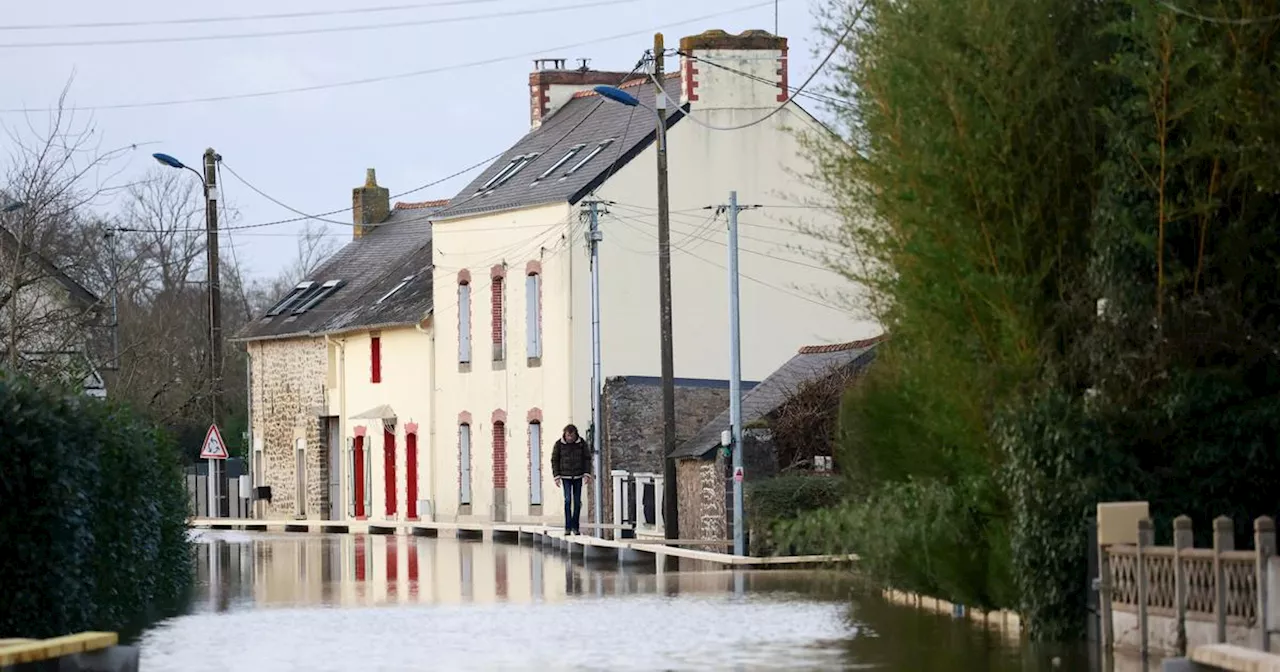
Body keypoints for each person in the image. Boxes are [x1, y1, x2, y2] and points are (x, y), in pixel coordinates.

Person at [551, 424, 591, 535]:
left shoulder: (581, 444)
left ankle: (575, 526)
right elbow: (554, 460)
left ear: (575, 434)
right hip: (565, 476)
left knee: (577, 502)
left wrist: (587, 474)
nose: (570, 438)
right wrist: (557, 476)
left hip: (578, 476)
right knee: (568, 500)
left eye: (572, 436)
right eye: (568, 436)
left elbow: (587, 458)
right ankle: (568, 527)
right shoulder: (559, 445)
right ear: (565, 434)